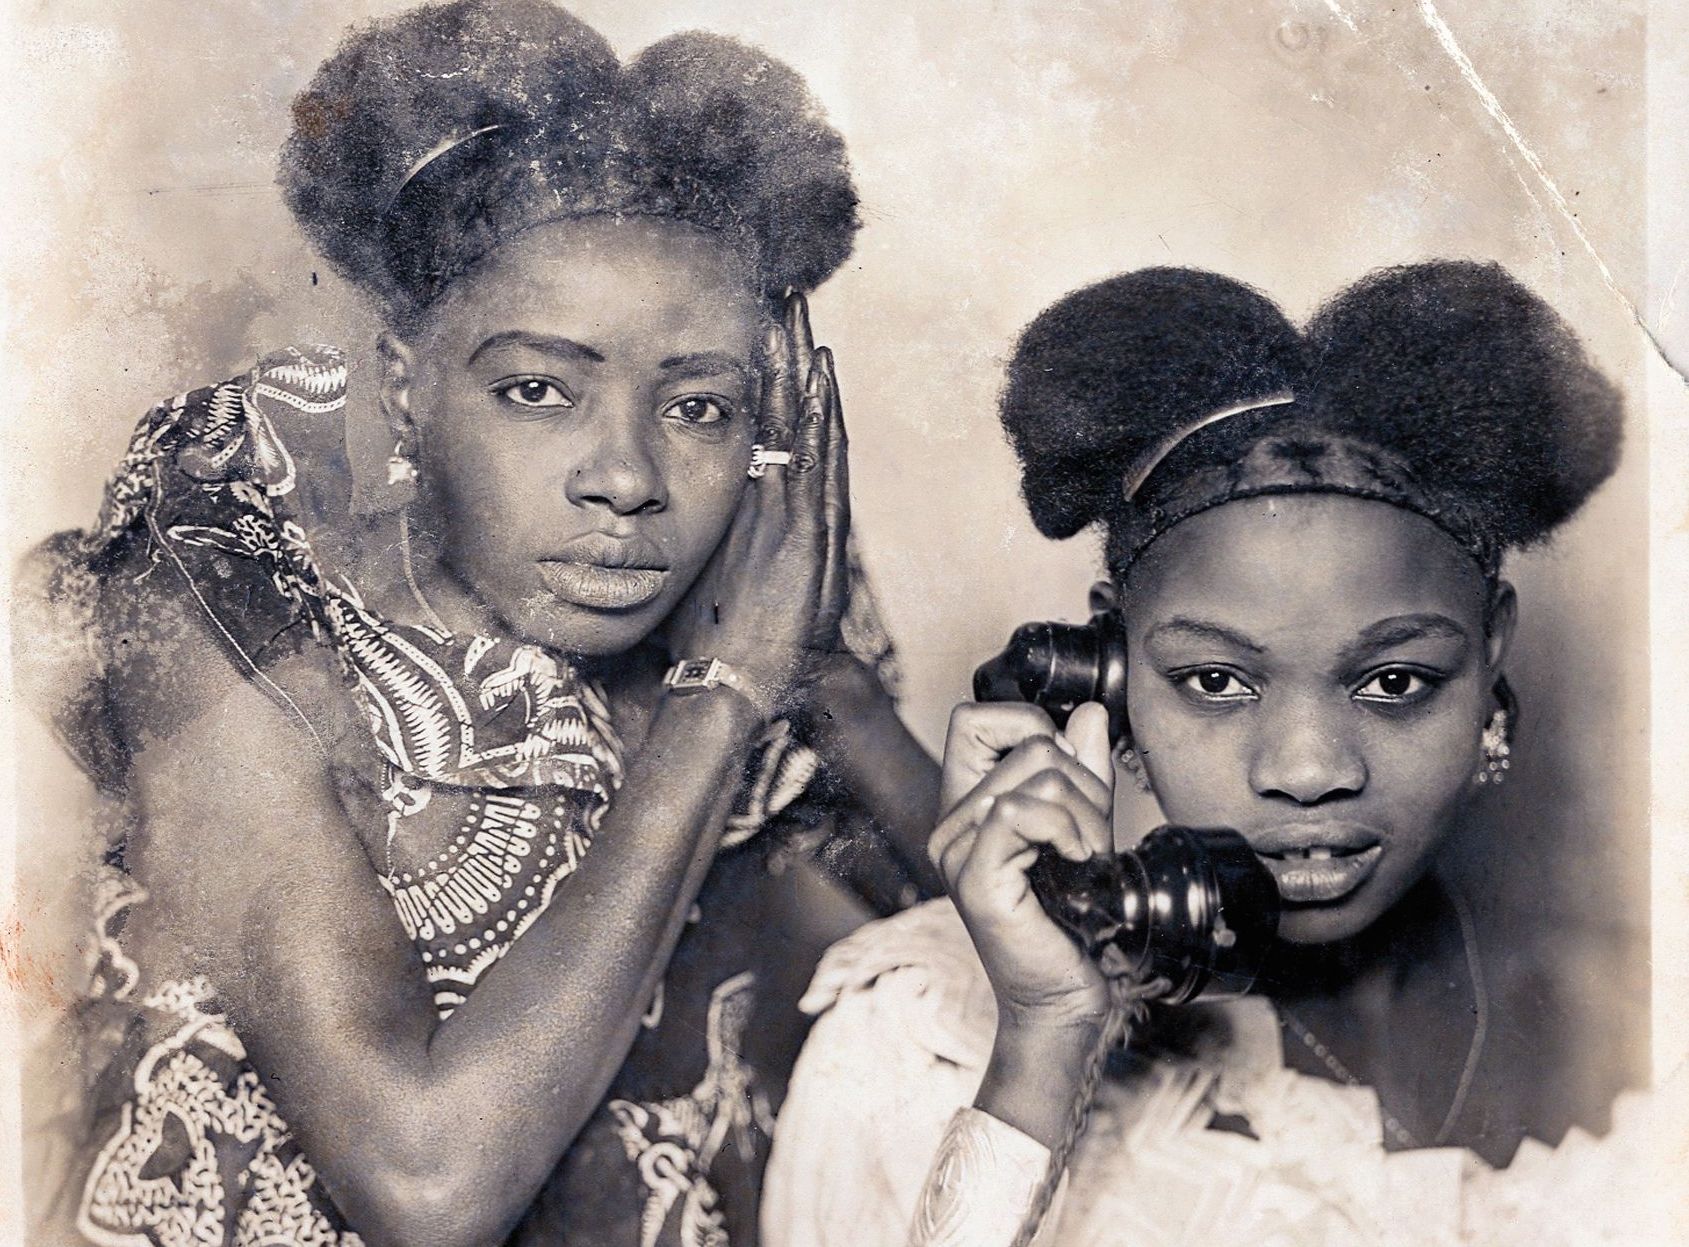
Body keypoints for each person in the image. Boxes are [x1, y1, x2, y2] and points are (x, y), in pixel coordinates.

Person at [15, 2, 940, 1243]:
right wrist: (719, 696)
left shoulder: (742, 601)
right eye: (538, 390)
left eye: (702, 408)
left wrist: (820, 672)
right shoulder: (218, 590)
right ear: (405, 384)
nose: (626, 477)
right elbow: (426, 1182)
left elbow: (1056, 957)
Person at [762, 263, 1664, 1246]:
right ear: (1111, 668)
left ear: (1491, 649)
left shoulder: (1630, 1004)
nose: (1311, 768)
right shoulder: (918, 1041)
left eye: (1395, 681)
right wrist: (1042, 1044)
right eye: (1217, 681)